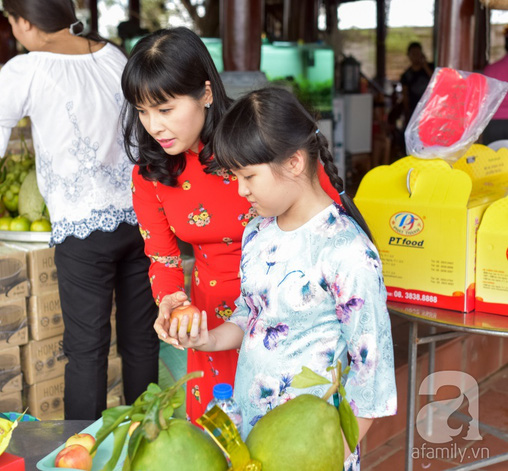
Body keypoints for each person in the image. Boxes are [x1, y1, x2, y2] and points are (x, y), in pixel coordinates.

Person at [0, 0, 158, 421]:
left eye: (12, 22)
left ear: (25, 23)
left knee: (87, 352)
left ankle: (81, 455)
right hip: (139, 219)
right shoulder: (111, 55)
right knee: (140, 341)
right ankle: (146, 440)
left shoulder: (29, 68)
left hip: (83, 230)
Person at [167, 87, 397, 470]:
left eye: (248, 177)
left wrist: (331, 452)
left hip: (312, 448)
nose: (241, 191)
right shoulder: (258, 232)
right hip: (253, 435)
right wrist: (210, 338)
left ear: (293, 163)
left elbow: (371, 371)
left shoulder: (347, 252)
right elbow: (251, 316)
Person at [120, 26, 342, 424]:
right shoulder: (151, 174)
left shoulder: (258, 141)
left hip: (289, 307)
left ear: (205, 93)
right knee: (219, 436)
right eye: (142, 111)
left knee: (291, 435)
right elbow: (162, 259)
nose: (153, 125)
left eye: (166, 109)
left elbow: (328, 220)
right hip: (212, 320)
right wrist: (171, 300)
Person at [482, 26, 508, 145]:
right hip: (494, 122)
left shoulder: (491, 69)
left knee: (493, 162)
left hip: (494, 124)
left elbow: (484, 100)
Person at [400, 42, 434, 126]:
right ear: (408, 55)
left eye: (418, 53)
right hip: (415, 110)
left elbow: (436, 80)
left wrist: (425, 65)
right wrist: (407, 111)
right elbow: (405, 95)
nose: (416, 56)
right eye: (413, 54)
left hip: (430, 108)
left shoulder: (430, 68)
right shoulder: (406, 75)